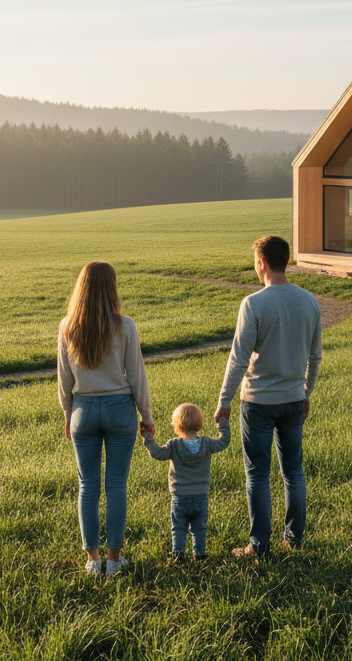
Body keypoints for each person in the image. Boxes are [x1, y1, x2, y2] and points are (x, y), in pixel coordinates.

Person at [214, 235, 322, 557]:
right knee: (294, 471)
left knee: (257, 473)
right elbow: (315, 357)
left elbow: (238, 359)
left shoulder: (253, 304)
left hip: (258, 402)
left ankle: (258, 546)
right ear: (286, 261)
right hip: (293, 399)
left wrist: (224, 401)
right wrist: (306, 392)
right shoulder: (310, 301)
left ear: (262, 263)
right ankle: (294, 539)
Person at [57, 261, 154, 577]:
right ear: (111, 287)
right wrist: (147, 416)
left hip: (83, 411)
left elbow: (64, 382)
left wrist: (68, 416)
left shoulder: (67, 326)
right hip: (119, 410)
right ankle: (114, 560)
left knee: (87, 486)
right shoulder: (125, 325)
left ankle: (91, 560)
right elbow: (137, 376)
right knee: (115, 485)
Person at [141, 402, 231, 563]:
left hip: (179, 497)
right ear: (199, 424)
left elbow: (156, 453)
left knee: (179, 527)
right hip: (201, 496)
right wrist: (222, 422)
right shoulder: (208, 443)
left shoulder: (174, 445)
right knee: (199, 527)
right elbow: (224, 441)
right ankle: (200, 554)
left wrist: (147, 436)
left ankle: (178, 554)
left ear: (177, 425)